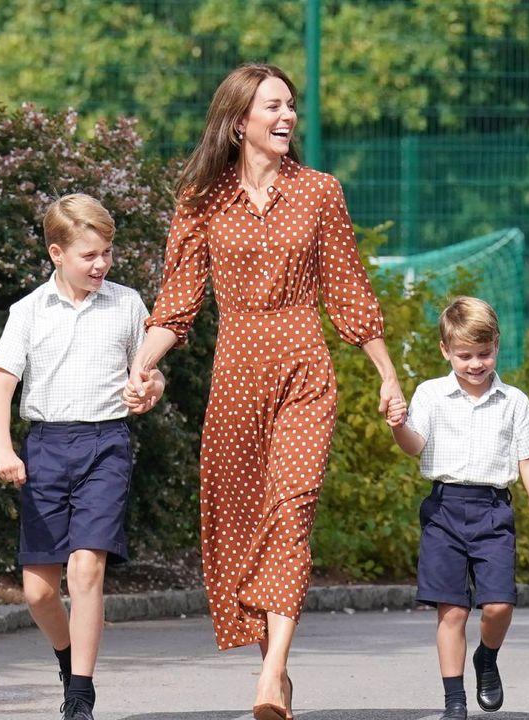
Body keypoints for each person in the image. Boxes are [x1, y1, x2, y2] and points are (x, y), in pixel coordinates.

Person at [126, 63, 403, 720]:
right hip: (235, 379)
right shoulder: (201, 201)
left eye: (291, 107)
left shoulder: (320, 192)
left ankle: (273, 675)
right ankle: (273, 667)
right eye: (273, 107)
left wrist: (388, 373)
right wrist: (142, 365)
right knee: (244, 526)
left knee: (292, 513)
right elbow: (178, 302)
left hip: (304, 369)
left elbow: (348, 291)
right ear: (238, 119)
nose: (287, 118)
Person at [0, 193, 165, 720]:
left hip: (105, 446)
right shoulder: (28, 311)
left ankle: (80, 696)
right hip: (44, 448)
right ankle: (68, 660)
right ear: (56, 253)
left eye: (107, 252)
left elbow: (150, 372)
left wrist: (150, 387)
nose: (102, 264)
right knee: (39, 593)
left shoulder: (127, 304)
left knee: (86, 569)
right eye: (89, 255)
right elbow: (0, 387)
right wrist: (3, 448)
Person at [385, 296, 529, 720]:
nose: (475, 363)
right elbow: (414, 446)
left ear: (496, 345)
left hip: (493, 511)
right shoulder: (430, 394)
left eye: (484, 353)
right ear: (446, 351)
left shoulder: (513, 401)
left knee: (498, 605)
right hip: (444, 510)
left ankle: (487, 658)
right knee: (453, 609)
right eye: (465, 355)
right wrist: (398, 426)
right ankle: (454, 700)